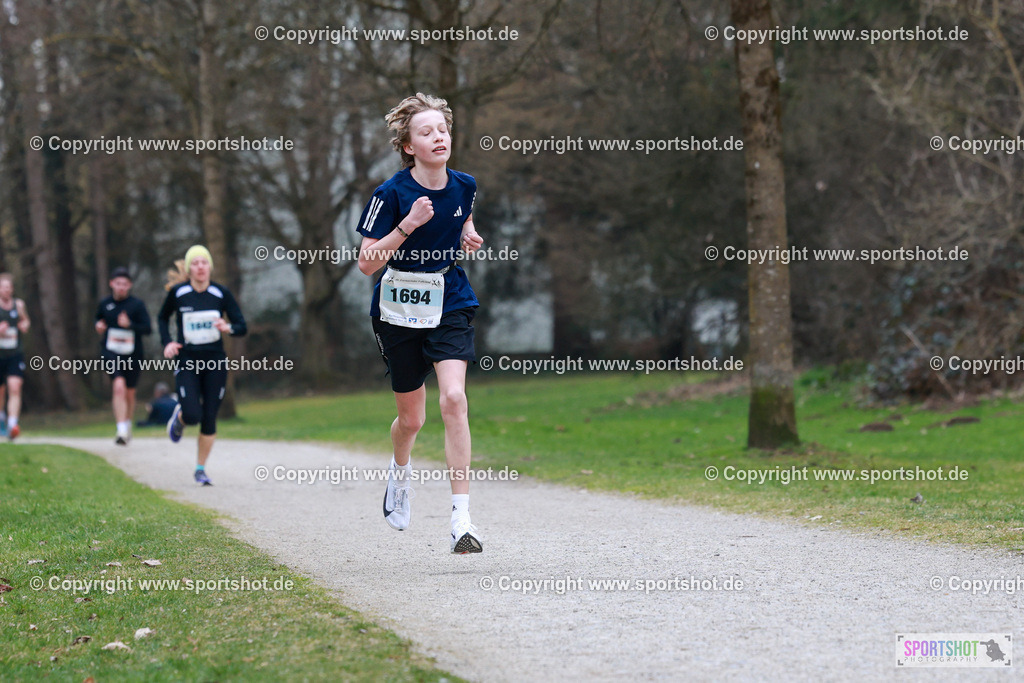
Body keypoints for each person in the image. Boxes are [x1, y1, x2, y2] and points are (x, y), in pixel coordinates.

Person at [356, 93, 486, 554]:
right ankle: (400, 474)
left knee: (454, 398)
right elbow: (366, 263)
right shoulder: (389, 194)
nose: (438, 138)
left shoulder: (465, 184)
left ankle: (461, 518)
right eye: (427, 132)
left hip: (448, 297)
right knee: (412, 419)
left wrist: (467, 232)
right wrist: (406, 225)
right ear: (409, 145)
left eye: (443, 130)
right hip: (398, 307)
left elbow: (459, 209)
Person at [158, 246, 246, 486]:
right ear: (189, 269)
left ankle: (200, 469)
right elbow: (162, 318)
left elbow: (241, 325)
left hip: (215, 361)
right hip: (187, 360)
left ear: (210, 267)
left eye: (203, 262)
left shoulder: (220, 293)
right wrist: (168, 343)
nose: (199, 267)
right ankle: (180, 418)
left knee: (209, 417)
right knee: (193, 414)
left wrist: (227, 328)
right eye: (194, 263)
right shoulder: (178, 293)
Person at [95, 266, 152, 445]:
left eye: (125, 284)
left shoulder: (137, 305)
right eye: (118, 283)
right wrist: (98, 326)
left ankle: (127, 424)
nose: (121, 287)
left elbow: (148, 329)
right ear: (112, 284)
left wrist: (130, 325)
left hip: (133, 354)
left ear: (130, 285)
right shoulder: (105, 304)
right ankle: (120, 429)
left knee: (129, 391)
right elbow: (98, 320)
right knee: (118, 385)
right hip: (111, 352)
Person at [0, 274, 30, 440]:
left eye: (8, 287)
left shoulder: (18, 305)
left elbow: (26, 321)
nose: (6, 290)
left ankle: (13, 424)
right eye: (3, 287)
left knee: (15, 386)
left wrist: (24, 325)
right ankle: (1, 418)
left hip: (15, 353)